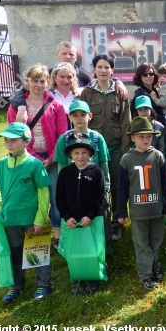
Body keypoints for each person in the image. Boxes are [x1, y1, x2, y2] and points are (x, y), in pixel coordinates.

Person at [0, 122, 52, 302]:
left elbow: (43, 192)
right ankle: (16, 287)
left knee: (38, 253)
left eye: (14, 140)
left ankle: (44, 285)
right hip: (10, 220)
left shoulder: (34, 164)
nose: (9, 144)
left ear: (26, 141)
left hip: (32, 221)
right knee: (15, 253)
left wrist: (40, 219)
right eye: (6, 140)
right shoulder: (1, 164)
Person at [7, 64, 67, 248]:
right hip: (28, 159)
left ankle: (57, 236)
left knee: (56, 196)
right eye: (35, 80)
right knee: (32, 198)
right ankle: (33, 238)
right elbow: (13, 133)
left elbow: (62, 134)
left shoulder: (55, 105)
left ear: (47, 82)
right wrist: (38, 160)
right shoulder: (17, 107)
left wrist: (51, 159)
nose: (39, 85)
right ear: (27, 81)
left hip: (53, 159)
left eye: (42, 81)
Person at [80, 54, 131, 242]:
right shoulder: (86, 93)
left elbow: (126, 121)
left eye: (107, 67)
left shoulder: (120, 92)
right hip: (94, 149)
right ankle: (100, 221)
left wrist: (126, 149)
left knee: (117, 185)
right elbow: (82, 120)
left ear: (112, 71)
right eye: (100, 67)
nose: (103, 70)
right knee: (96, 186)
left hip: (116, 146)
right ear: (94, 70)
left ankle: (117, 222)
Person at [117, 117, 166, 290]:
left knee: (156, 240)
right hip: (138, 211)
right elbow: (122, 188)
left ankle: (154, 267)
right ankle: (145, 274)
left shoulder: (157, 156)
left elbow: (165, 182)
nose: (145, 139)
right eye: (141, 136)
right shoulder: (126, 159)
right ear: (132, 138)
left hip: (156, 209)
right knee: (142, 243)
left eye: (148, 136)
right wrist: (121, 211)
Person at [53, 100, 111, 252]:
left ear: (90, 116)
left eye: (83, 114)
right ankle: (76, 252)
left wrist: (107, 189)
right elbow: (61, 167)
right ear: (69, 117)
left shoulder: (97, 138)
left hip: (95, 188)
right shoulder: (63, 140)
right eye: (75, 115)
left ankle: (103, 251)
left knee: (99, 220)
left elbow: (104, 165)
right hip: (73, 192)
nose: (79, 118)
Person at [56, 133, 107, 294]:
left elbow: (101, 195)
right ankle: (77, 278)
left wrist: (91, 215)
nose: (80, 156)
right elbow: (59, 197)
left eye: (84, 152)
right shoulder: (64, 174)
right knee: (75, 250)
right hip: (71, 220)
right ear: (70, 155)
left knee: (91, 249)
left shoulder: (97, 172)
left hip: (90, 219)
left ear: (90, 154)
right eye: (76, 153)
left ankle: (92, 277)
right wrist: (66, 216)